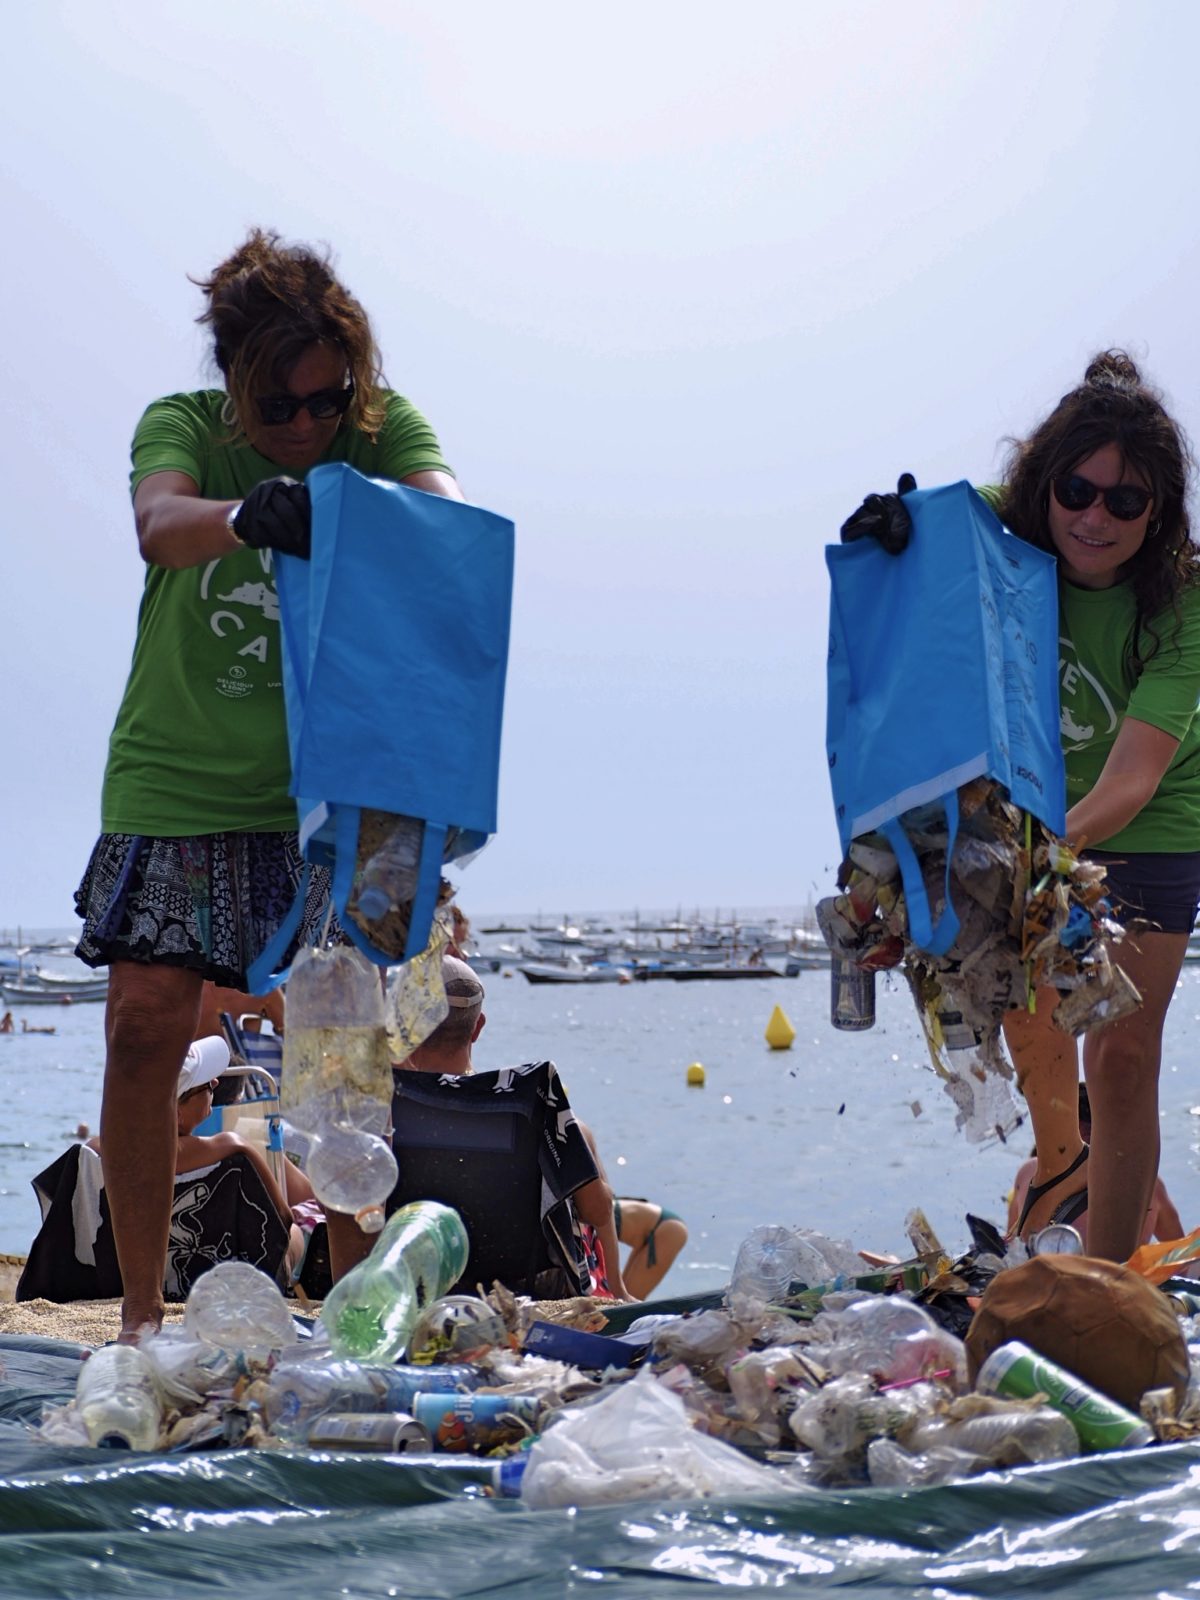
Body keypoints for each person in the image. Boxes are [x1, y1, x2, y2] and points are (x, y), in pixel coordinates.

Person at [72, 230, 462, 1342]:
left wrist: (360, 500)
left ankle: (357, 1313)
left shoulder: (383, 436)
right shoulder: (183, 426)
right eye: (276, 407)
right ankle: (143, 1318)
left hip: (335, 795)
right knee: (144, 1030)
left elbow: (446, 522)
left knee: (338, 1057)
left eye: (324, 402)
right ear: (233, 377)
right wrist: (248, 515)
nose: (301, 427)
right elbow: (160, 523)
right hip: (180, 772)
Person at [845, 352, 1200, 1260]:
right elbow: (919, 573)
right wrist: (892, 544)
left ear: (1157, 512)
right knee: (1019, 1000)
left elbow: (1131, 782)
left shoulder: (1184, 604)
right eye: (1079, 491)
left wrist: (1034, 862)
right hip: (1038, 805)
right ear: (1047, 484)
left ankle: (1112, 1279)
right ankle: (1060, 1174)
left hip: (1153, 819)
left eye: (1126, 502)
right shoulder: (1002, 533)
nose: (1095, 517)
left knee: (1122, 1054)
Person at [326, 956, 632, 1299]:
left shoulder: (380, 1103)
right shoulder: (530, 1097)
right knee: (580, 1140)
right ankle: (617, 1291)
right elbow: (597, 1211)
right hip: (523, 1292)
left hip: (415, 1290)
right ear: (479, 1026)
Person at [1007, 1082, 1190, 1250]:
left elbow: (1009, 1249)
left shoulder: (1029, 1172)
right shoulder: (1150, 1185)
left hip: (1041, 1274)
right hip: (1118, 1279)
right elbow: (1182, 1258)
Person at [612, 1198, 688, 1299]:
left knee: (629, 1298)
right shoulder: (595, 1204)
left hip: (668, 1230)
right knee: (620, 1297)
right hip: (656, 1224)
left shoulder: (593, 1215)